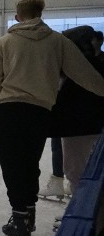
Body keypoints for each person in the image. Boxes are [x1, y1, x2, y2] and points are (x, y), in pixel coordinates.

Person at [0, 0, 104, 236]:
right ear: (41, 13)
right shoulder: (58, 42)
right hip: (40, 113)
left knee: (13, 167)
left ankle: (20, 218)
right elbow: (86, 75)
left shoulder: (4, 42)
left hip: (9, 111)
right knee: (29, 164)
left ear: (18, 17)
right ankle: (27, 215)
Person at [46, 26, 104, 225]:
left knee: (76, 171)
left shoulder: (81, 69)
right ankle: (85, 211)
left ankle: (84, 215)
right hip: (84, 127)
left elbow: (67, 101)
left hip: (81, 128)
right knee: (78, 171)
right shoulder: (91, 65)